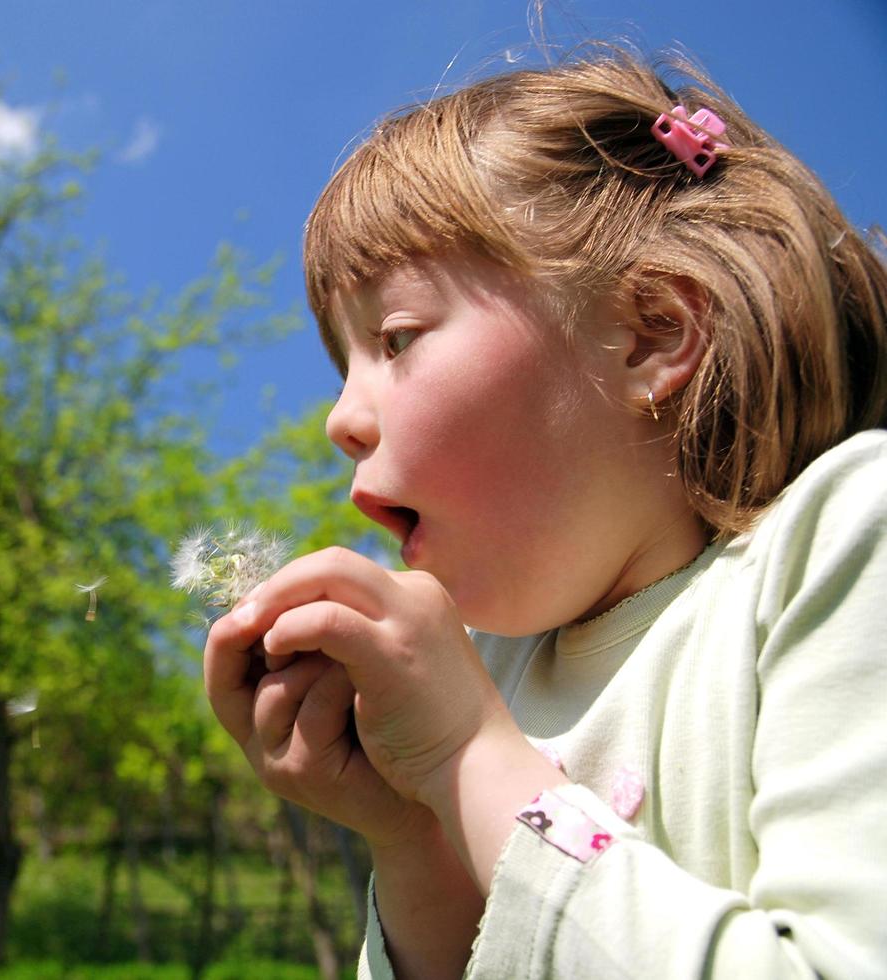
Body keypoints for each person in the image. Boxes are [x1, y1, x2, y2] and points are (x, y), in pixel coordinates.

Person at [203, 48, 887, 978]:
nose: (339, 420)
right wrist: (413, 836)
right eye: (342, 366)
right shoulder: (490, 671)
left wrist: (468, 759)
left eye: (395, 338)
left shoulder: (845, 538)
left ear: (649, 333)